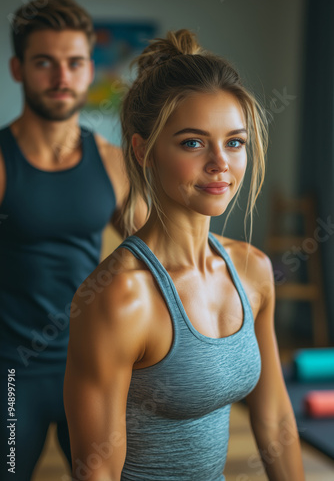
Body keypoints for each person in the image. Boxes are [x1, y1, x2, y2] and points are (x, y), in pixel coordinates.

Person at [64, 30, 305, 480]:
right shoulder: (118, 298)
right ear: (143, 152)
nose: (220, 163)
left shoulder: (253, 270)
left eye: (234, 142)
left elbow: (275, 419)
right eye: (193, 143)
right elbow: (95, 473)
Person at [0, 0, 146, 481]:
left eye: (75, 63)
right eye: (45, 62)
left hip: (92, 365)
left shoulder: (110, 161)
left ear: (89, 70)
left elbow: (154, 256)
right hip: (13, 375)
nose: (62, 77)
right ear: (18, 69)